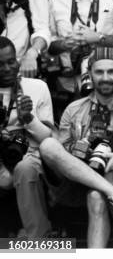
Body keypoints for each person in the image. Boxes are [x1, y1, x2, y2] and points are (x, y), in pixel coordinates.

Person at [24, 46, 113, 246]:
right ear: (89, 75)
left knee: (97, 196)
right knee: (47, 145)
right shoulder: (74, 109)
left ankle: (112, 193)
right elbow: (62, 154)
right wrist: (83, 148)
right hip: (77, 178)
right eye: (99, 72)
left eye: (111, 71)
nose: (105, 77)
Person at [0, 37, 54, 237]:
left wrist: (29, 119)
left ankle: (38, 242)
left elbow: (48, 138)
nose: (7, 68)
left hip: (31, 155)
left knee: (24, 169)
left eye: (11, 61)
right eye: (0, 64)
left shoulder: (37, 87)